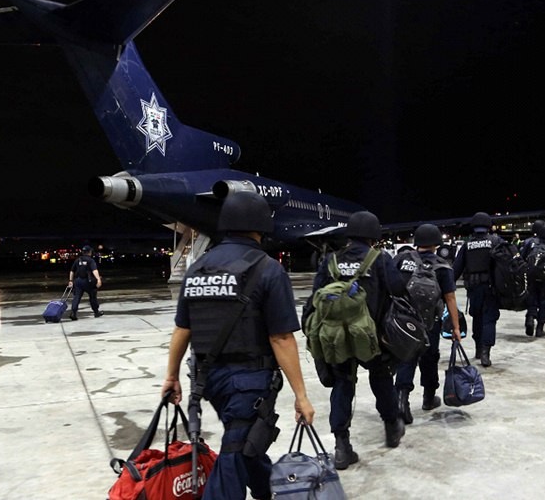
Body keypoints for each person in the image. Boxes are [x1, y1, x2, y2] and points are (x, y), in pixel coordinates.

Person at [160, 191, 314, 500]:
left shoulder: (198, 269)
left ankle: (268, 488)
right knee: (234, 452)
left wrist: (172, 375)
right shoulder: (268, 269)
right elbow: (281, 337)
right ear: (261, 225)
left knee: (245, 443)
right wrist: (301, 395)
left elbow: (182, 328)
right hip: (249, 381)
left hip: (208, 379)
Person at [309, 210, 406, 471]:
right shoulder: (380, 259)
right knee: (381, 378)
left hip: (337, 338)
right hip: (370, 337)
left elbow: (314, 299)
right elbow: (399, 290)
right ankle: (391, 427)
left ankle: (341, 447)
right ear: (374, 236)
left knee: (342, 384)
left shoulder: (331, 261)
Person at [393, 223, 461, 425]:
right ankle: (429, 398)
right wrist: (456, 327)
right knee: (430, 357)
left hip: (403, 321)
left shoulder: (401, 260)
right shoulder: (442, 266)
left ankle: (401, 400)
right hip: (431, 321)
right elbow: (450, 299)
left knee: (406, 358)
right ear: (436, 244)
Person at [452, 211, 503, 367]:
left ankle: (478, 349)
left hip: (473, 289)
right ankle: (486, 354)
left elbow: (456, 269)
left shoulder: (468, 245)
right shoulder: (496, 241)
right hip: (491, 288)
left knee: (477, 318)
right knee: (489, 320)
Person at [68, 245, 103, 320]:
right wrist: (98, 279)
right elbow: (94, 270)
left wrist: (70, 281)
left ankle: (73, 313)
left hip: (78, 281)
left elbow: (72, 271)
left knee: (76, 297)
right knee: (92, 296)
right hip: (88, 282)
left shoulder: (78, 260)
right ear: (90, 252)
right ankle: (96, 312)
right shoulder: (91, 260)